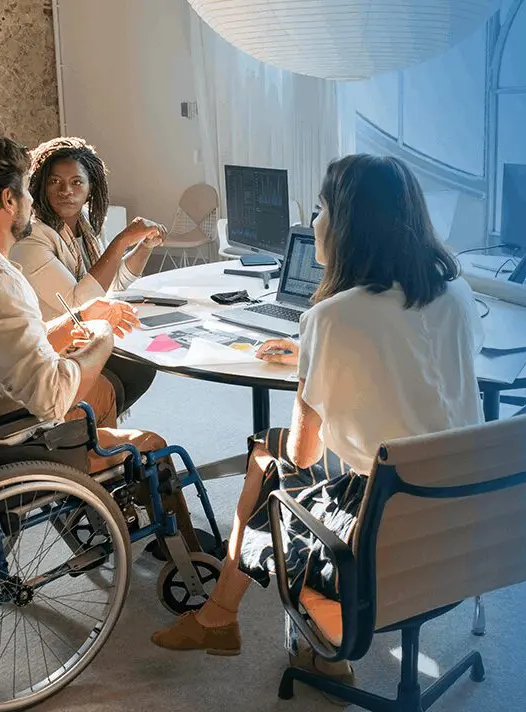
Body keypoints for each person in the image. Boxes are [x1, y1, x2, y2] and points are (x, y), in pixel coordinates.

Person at [151, 155, 485, 693]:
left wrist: (315, 360)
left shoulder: (332, 318)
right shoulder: (458, 295)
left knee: (269, 457)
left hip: (384, 521)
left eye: (321, 209)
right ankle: (290, 642)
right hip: (466, 508)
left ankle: (224, 618)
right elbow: (423, 374)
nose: (313, 223)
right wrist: (316, 356)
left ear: (349, 225)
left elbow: (304, 455)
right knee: (295, 456)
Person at [0, 136, 199, 547]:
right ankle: (185, 558)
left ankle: (108, 512)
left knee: (105, 380)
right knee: (153, 444)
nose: (34, 199)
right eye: (30, 189)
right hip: (12, 439)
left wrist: (77, 319)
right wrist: (99, 336)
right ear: (9, 200)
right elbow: (50, 397)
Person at [9, 136, 164, 416]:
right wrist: (121, 241)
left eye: (76, 182)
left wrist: (143, 246)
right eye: (55, 181)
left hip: (81, 337)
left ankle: (91, 430)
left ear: (91, 189)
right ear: (41, 186)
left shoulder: (84, 230)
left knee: (140, 362)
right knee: (120, 375)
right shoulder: (31, 238)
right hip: (50, 350)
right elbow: (80, 300)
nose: (66, 190)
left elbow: (109, 285)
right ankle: (82, 431)